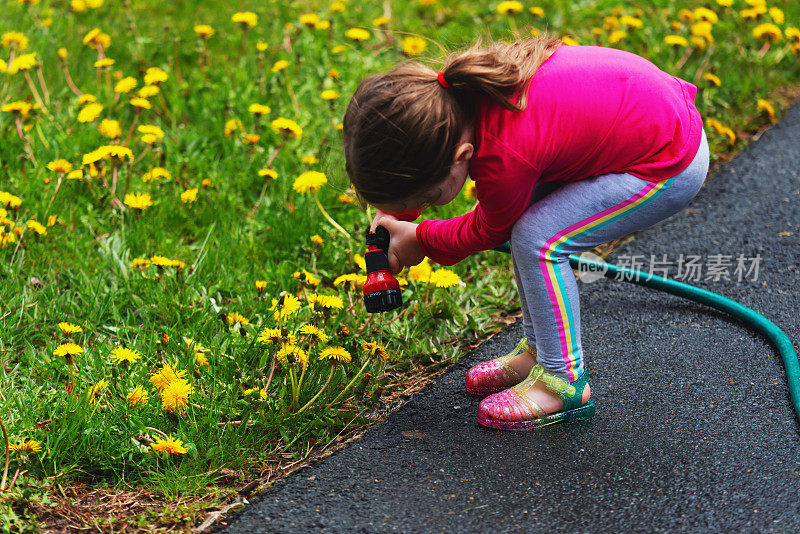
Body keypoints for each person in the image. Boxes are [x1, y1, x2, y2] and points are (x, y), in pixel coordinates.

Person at [342, 35, 709, 430]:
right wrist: (400, 210)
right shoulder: (462, 99)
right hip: (648, 117)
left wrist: (423, 238)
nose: (429, 206)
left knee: (539, 240)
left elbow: (487, 229)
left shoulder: (503, 154)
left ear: (460, 157)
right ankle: (540, 352)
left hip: (668, 159)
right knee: (531, 227)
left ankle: (563, 380)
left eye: (431, 199)